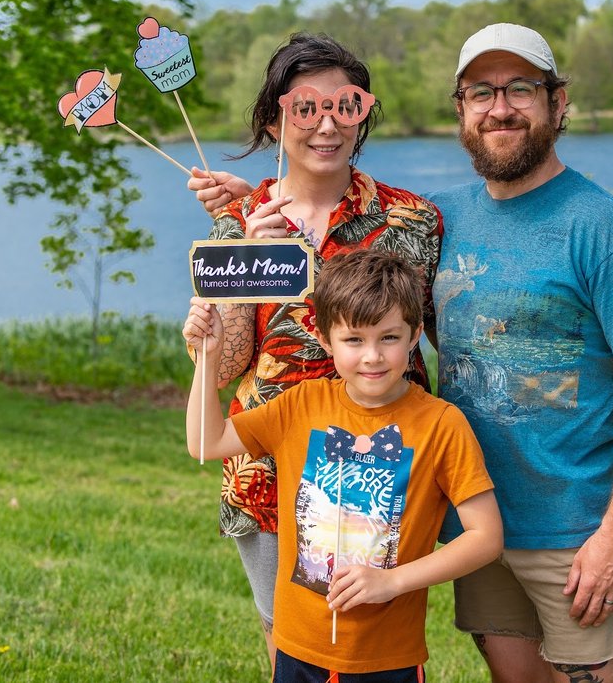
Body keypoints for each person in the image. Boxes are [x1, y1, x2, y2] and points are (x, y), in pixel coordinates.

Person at [428, 23, 613, 683]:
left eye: (520, 88)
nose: (500, 108)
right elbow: (345, 256)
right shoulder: (436, 218)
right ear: (460, 108)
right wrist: (259, 208)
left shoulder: (604, 227)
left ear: (558, 102)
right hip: (479, 520)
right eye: (480, 92)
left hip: (576, 530)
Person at [186, 33, 444, 665]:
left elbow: (440, 341)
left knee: (373, 644)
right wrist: (245, 252)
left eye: (346, 105)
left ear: (363, 115)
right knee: (290, 642)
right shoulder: (239, 221)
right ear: (276, 118)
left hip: (382, 471)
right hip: (268, 474)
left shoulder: (413, 222)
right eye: (305, 107)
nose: (327, 124)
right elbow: (220, 366)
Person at [183, 249, 502, 681]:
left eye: (389, 338)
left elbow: (485, 537)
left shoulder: (442, 425)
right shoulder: (301, 403)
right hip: (297, 645)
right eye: (354, 340)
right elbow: (207, 441)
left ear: (414, 336)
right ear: (323, 337)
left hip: (387, 657)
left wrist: (393, 581)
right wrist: (208, 355)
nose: (372, 356)